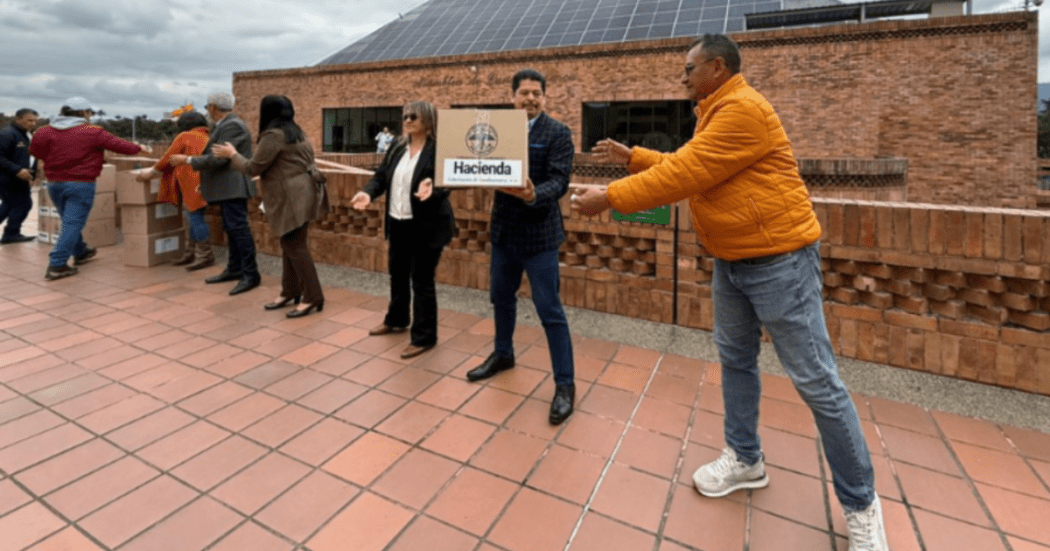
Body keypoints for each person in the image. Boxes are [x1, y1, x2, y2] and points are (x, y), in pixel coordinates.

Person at [572, 34, 888, 551]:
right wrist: (636, 158)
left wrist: (611, 197)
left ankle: (862, 506)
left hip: (780, 263)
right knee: (736, 362)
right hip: (733, 263)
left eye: (689, 68)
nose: (683, 77)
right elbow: (694, 164)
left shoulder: (743, 109)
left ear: (717, 67)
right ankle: (745, 460)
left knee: (817, 384)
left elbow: (690, 171)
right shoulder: (715, 111)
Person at [466, 68, 577, 425]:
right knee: (501, 298)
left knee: (550, 310)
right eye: (523, 93)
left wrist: (534, 194)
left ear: (545, 97)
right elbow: (473, 164)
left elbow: (560, 181)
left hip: (540, 236)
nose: (530, 98)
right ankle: (503, 354)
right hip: (504, 233)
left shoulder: (557, 132)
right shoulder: (494, 130)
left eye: (536, 93)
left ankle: (565, 384)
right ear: (512, 96)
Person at [353, 101, 454, 359]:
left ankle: (424, 336)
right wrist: (367, 192)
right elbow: (381, 175)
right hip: (397, 221)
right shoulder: (397, 146)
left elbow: (449, 181)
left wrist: (434, 187)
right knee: (397, 273)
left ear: (428, 121)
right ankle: (397, 320)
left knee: (421, 280)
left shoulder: (438, 149)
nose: (408, 120)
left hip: (427, 224)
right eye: (405, 116)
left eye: (414, 117)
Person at [213, 95, 327, 318]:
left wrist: (232, 154)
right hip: (306, 191)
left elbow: (253, 168)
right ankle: (290, 291)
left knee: (294, 245)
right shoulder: (297, 132)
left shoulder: (274, 136)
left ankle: (313, 296)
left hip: (292, 196)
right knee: (291, 242)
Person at [30, 97, 151, 280]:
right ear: (82, 113)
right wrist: (140, 148)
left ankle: (81, 252)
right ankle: (57, 264)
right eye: (89, 112)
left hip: (54, 183)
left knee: (69, 221)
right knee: (72, 223)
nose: (91, 116)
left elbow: (36, 152)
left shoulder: (44, 131)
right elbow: (120, 146)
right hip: (81, 184)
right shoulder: (92, 132)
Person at [170, 91, 260, 296]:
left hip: (234, 188)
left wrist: (187, 160)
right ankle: (235, 269)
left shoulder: (232, 126)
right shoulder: (226, 125)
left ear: (212, 107)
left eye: (207, 106)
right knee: (232, 229)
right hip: (227, 188)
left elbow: (218, 158)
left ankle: (250, 274)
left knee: (239, 230)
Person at [135, 111, 214, 271]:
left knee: (195, 218)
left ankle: (205, 255)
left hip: (193, 184)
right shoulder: (209, 136)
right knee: (195, 218)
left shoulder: (185, 136)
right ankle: (191, 252)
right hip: (208, 183)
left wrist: (149, 173)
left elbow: (167, 159)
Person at [0, 108, 39, 244]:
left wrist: (33, 175)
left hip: (20, 179)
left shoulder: (25, 135)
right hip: (8, 178)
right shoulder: (7, 134)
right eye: (29, 120)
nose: (32, 123)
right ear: (18, 119)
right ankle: (11, 233)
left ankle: (11, 233)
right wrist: (17, 170)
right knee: (22, 204)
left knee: (10, 205)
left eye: (35, 121)